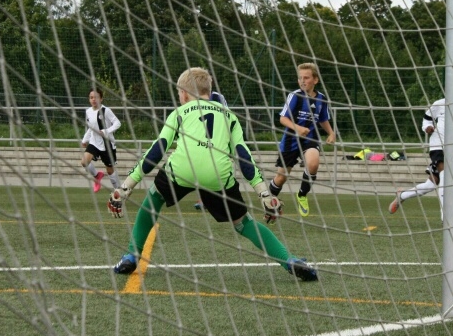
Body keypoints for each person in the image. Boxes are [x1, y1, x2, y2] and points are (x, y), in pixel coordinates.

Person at [108, 67, 317, 281]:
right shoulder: (229, 116)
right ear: (209, 90)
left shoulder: (180, 112)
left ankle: (131, 255)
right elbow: (243, 156)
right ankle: (288, 260)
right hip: (218, 175)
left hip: (182, 170)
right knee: (244, 223)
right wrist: (264, 193)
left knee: (152, 201)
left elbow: (157, 149)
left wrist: (126, 186)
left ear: (184, 94)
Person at [389, 98, 453, 219]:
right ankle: (445, 218)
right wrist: (428, 127)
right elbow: (427, 119)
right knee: (445, 176)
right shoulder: (440, 103)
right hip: (438, 145)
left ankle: (402, 195)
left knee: (431, 185)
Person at [269, 63, 336, 218]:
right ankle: (269, 200)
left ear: (315, 80)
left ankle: (302, 194)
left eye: (306, 78)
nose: (302, 81)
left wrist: (331, 133)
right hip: (290, 141)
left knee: (313, 163)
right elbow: (283, 119)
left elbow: (323, 119)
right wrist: (298, 128)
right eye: (300, 78)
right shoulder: (295, 96)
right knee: (281, 177)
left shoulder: (321, 99)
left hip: (310, 139)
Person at [81, 87, 122, 193]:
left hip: (107, 144)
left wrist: (106, 131)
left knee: (110, 170)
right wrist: (85, 140)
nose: (93, 99)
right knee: (84, 162)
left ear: (101, 99)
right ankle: (97, 176)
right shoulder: (88, 111)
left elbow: (117, 123)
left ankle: (118, 191)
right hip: (94, 142)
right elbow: (91, 128)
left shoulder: (106, 111)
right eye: (91, 97)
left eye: (96, 97)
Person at [194, 90, 228, 211]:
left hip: (216, 140)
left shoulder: (217, 97)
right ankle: (204, 200)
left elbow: (226, 114)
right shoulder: (196, 97)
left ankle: (217, 199)